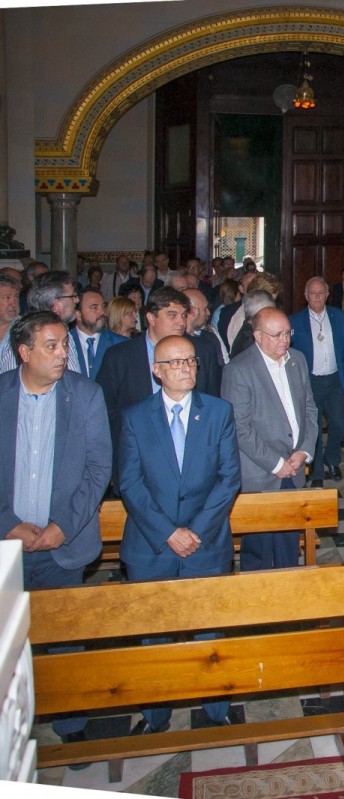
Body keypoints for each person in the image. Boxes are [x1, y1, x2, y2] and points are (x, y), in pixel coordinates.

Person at [117, 335, 241, 733]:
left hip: (206, 543)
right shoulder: (136, 417)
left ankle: (215, 709)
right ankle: (155, 715)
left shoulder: (219, 412)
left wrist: (196, 532)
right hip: (151, 545)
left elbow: (229, 479)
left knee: (209, 631)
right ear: (156, 370)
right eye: (174, 362)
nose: (185, 368)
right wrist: (169, 532)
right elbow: (129, 483)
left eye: (190, 360)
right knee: (156, 634)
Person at [0, 311, 111, 749]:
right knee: (9, 644)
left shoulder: (85, 395)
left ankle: (70, 724)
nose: (64, 353)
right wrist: (7, 524)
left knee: (65, 642)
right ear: (24, 352)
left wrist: (64, 526)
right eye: (52, 345)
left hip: (64, 545)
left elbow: (99, 468)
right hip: (6, 547)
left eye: (65, 344)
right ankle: (11, 732)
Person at [221, 308, 318, 570]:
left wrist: (304, 451)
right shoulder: (239, 370)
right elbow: (239, 427)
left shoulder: (297, 360)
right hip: (260, 473)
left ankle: (289, 602)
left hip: (294, 467)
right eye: (277, 335)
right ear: (258, 336)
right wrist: (277, 464)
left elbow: (310, 409)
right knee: (260, 550)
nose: (284, 341)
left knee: (289, 546)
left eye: (288, 333)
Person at [97, 288, 223, 478]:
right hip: (139, 462)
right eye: (172, 315)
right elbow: (108, 413)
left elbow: (212, 403)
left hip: (192, 459)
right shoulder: (120, 357)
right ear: (150, 317)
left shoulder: (203, 351)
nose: (181, 322)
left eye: (183, 315)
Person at [289, 277, 344, 484]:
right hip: (310, 382)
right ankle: (318, 471)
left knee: (339, 424)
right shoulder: (295, 320)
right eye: (313, 293)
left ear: (328, 295)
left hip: (335, 380)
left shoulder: (338, 316)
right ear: (305, 296)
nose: (317, 297)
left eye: (321, 293)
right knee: (315, 429)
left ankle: (332, 457)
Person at [26, 271, 83, 373]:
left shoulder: (66, 334)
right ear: (57, 305)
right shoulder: (26, 337)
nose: (77, 300)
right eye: (73, 296)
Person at [71, 289, 123, 379]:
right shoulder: (66, 342)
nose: (102, 313)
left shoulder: (121, 344)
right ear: (78, 314)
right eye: (94, 307)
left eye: (103, 307)